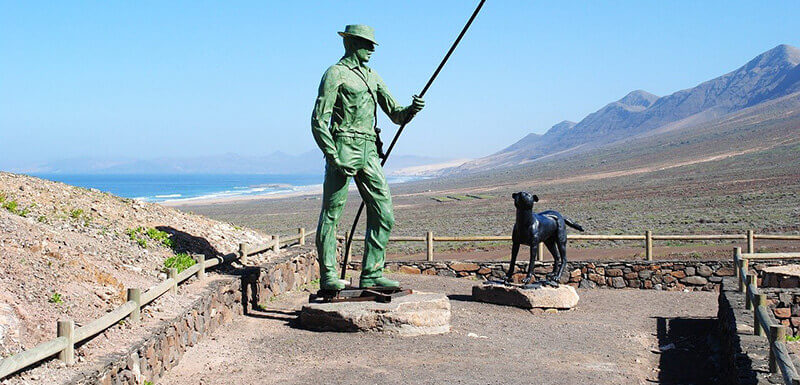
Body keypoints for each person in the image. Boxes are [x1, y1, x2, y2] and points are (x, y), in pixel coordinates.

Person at [311, 24, 424, 290]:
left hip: (369, 150)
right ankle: (328, 276)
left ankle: (372, 273)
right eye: (366, 43)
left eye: (372, 44)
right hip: (343, 146)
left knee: (384, 213)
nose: (372, 49)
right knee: (331, 214)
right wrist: (332, 154)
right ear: (350, 43)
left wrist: (412, 109)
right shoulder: (335, 74)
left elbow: (396, 114)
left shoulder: (373, 77)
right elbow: (318, 120)